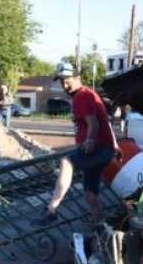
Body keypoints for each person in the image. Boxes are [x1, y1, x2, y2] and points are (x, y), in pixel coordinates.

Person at [33, 62, 117, 226]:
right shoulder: (88, 94)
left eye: (67, 80)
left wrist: (90, 140)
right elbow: (104, 121)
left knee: (66, 162)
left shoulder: (82, 96)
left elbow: (94, 123)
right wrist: (114, 145)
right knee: (90, 195)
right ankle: (100, 226)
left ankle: (51, 209)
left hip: (98, 148)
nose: (65, 86)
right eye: (62, 82)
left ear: (77, 77)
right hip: (104, 149)